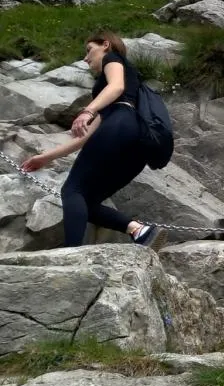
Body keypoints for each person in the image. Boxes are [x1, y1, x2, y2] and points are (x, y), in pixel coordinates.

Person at [20, 31, 163, 249]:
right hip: (136, 141)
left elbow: (116, 87)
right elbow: (86, 137)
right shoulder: (123, 99)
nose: (86, 58)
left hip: (119, 126)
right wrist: (45, 158)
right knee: (85, 202)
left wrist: (87, 111)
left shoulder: (113, 58)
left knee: (72, 191)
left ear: (105, 45)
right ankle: (137, 229)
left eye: (89, 50)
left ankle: (72, 254)